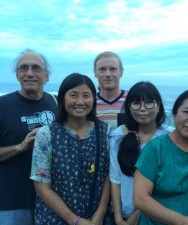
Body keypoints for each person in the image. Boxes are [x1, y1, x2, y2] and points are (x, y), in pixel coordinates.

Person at [30, 73, 111, 225]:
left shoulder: (105, 132)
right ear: (62, 98)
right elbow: (41, 185)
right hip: (53, 219)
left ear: (93, 99)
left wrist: (100, 212)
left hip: (94, 219)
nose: (80, 101)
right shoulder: (46, 134)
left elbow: (108, 174)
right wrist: (74, 220)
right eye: (73, 95)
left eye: (86, 95)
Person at [133, 89, 188, 225]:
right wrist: (182, 221)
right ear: (175, 114)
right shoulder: (156, 148)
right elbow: (140, 198)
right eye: (186, 112)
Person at [0, 49, 58, 225]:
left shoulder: (57, 103)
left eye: (36, 68)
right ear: (17, 75)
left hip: (53, 199)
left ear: (46, 75)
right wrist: (20, 147)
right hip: (12, 203)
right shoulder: (3, 106)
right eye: (24, 68)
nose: (29, 73)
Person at [110, 81, 173, 225]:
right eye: (136, 103)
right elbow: (115, 178)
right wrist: (118, 217)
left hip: (156, 215)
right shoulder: (117, 136)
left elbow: (164, 183)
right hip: (123, 214)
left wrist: (137, 214)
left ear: (159, 106)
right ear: (129, 108)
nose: (142, 108)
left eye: (149, 102)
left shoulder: (169, 137)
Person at [94, 51, 127, 130]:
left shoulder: (132, 101)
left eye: (113, 69)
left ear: (121, 72)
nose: (107, 74)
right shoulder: (89, 103)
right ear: (95, 73)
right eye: (102, 69)